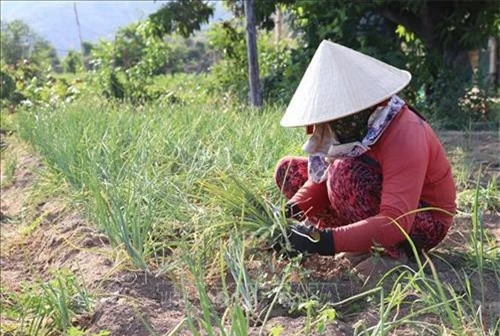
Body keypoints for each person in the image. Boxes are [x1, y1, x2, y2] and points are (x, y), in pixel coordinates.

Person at [273, 41, 456, 277]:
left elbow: (396, 221)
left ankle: (388, 254)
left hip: (419, 221)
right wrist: (286, 216)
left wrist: (322, 242)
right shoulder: (346, 131)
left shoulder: (405, 131)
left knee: (343, 175)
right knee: (288, 170)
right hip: (369, 197)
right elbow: (320, 180)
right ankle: (356, 237)